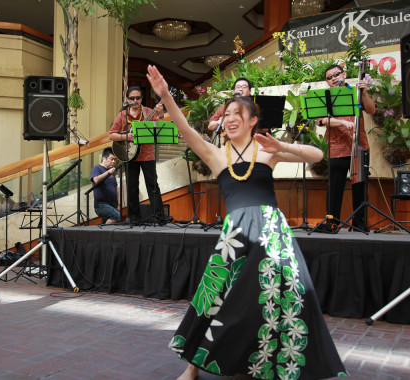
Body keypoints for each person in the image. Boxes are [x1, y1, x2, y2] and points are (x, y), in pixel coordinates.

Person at [146, 65, 347, 379]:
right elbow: (185, 128)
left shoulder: (268, 151)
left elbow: (316, 157)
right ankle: (193, 366)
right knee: (215, 295)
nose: (230, 117)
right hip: (236, 233)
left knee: (286, 292)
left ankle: (272, 360)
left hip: (272, 231)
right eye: (226, 113)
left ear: (253, 120)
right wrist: (165, 97)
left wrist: (283, 147)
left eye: (238, 112)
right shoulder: (215, 155)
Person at [316, 64, 375, 232]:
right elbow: (322, 120)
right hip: (337, 146)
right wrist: (342, 122)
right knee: (335, 186)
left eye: (336, 74)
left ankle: (359, 222)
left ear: (344, 74)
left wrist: (364, 92)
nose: (333, 78)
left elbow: (371, 110)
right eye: (329, 77)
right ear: (327, 82)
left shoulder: (355, 91)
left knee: (359, 186)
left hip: (359, 145)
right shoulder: (326, 97)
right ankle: (332, 222)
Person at [109, 86, 170, 225]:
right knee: (132, 186)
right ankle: (134, 218)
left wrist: (160, 115)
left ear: (141, 98)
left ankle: (160, 217)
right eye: (132, 98)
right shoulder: (123, 115)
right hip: (129, 154)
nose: (135, 100)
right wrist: (127, 137)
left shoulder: (149, 112)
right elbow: (111, 135)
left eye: (138, 97)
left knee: (153, 185)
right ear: (127, 99)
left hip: (147, 154)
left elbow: (159, 129)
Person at [90, 148, 120, 224]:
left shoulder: (112, 172)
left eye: (115, 159)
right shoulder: (97, 168)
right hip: (101, 205)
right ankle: (103, 233)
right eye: (111, 159)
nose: (113, 161)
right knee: (117, 216)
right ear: (104, 158)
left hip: (112, 205)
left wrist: (118, 204)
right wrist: (107, 173)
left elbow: (116, 188)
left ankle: (102, 234)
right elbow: (96, 180)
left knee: (107, 223)